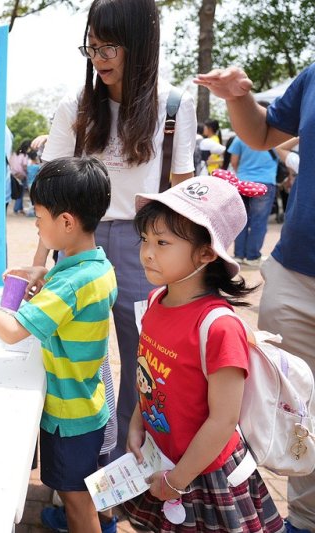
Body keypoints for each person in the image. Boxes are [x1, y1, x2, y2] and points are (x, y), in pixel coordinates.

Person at [32, 0, 196, 460]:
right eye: (92, 46)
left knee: (145, 364)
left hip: (145, 246)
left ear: (141, 46)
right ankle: (83, 475)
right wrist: (39, 262)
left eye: (109, 47)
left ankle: (126, 469)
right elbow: (53, 192)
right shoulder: (76, 108)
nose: (98, 58)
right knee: (77, 362)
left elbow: (183, 195)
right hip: (78, 242)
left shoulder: (173, 105)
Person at [0, 157, 117, 533]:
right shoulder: (97, 266)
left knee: (76, 499)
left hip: (69, 415)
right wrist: (43, 272)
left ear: (66, 222)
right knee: (85, 486)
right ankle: (101, 520)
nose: (35, 224)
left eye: (39, 218)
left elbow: (13, 330)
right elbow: (75, 285)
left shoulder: (71, 284)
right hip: (88, 403)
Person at [121, 176, 284, 532]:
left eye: (162, 242)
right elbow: (149, 377)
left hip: (203, 474)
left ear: (207, 253)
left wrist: (177, 481)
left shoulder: (219, 327)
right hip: (163, 456)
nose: (147, 252)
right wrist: (137, 423)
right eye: (145, 240)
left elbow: (223, 421)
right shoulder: (153, 301)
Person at [195, 63, 315, 533]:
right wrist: (238, 98)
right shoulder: (311, 76)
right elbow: (264, 133)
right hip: (294, 274)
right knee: (296, 410)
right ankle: (303, 521)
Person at [226, 130, 278, 267]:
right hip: (265, 183)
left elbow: (234, 161)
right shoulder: (276, 138)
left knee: (241, 220)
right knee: (259, 222)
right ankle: (252, 256)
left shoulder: (241, 136)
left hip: (243, 183)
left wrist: (244, 175)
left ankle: (238, 255)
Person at [9, 140, 30, 215]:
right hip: (21, 175)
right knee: (20, 192)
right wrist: (28, 171)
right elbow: (24, 166)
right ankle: (16, 208)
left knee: (18, 190)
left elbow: (10, 162)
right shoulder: (25, 155)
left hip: (13, 174)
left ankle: (20, 208)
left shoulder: (15, 153)